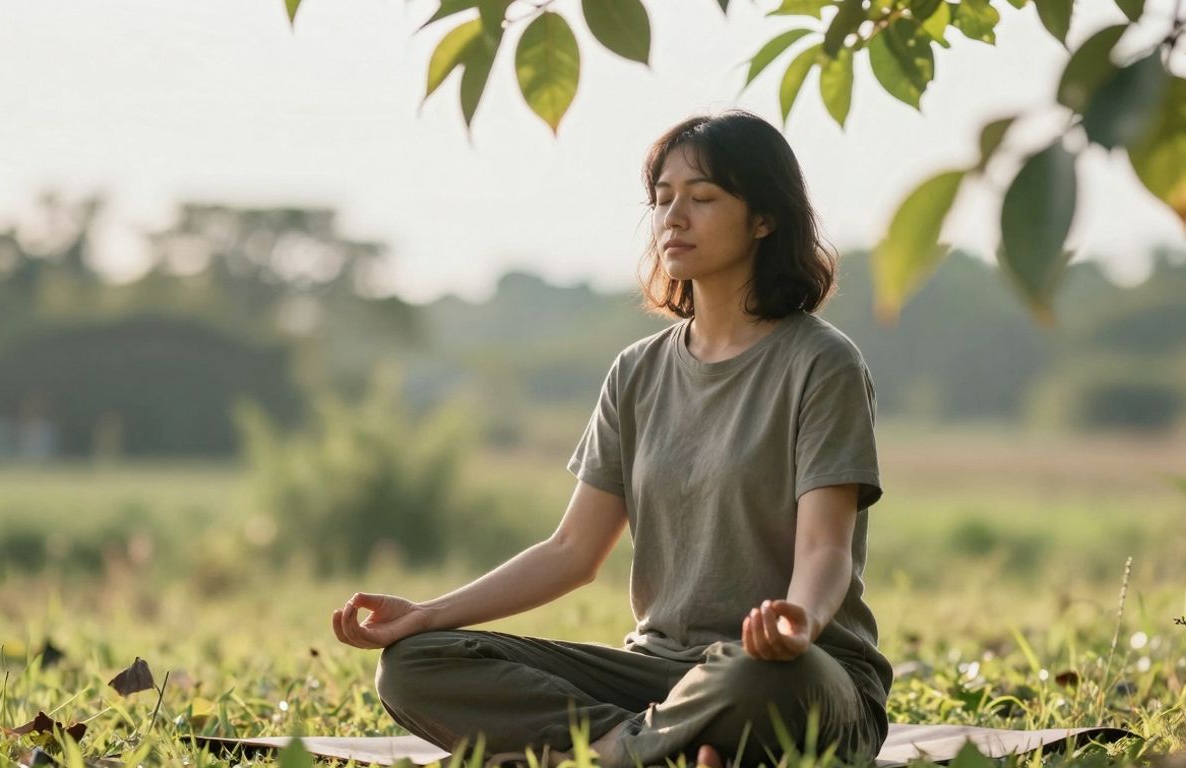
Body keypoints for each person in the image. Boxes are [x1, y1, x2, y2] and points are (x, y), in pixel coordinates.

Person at [331, 109, 893, 768]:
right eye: (662, 200)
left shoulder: (822, 362)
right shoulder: (637, 371)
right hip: (656, 677)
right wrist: (428, 614)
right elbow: (572, 549)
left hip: (797, 672)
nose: (673, 217)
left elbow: (826, 547)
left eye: (703, 198)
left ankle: (614, 753)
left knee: (758, 679)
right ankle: (651, 749)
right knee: (414, 666)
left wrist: (797, 623)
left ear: (765, 219)